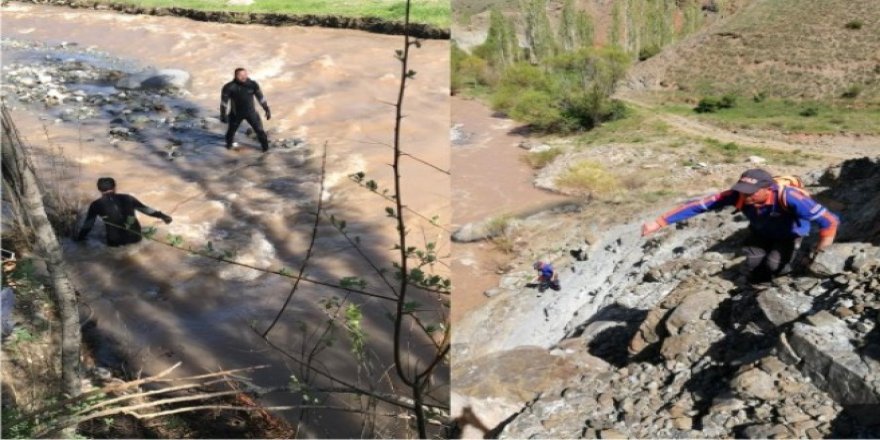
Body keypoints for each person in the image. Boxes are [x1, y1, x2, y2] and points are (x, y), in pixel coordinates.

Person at [641, 169, 840, 283]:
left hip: (789, 235)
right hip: (760, 231)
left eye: (751, 193)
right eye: (743, 191)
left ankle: (779, 283)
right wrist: (658, 223)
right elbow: (698, 206)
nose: (745, 196)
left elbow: (829, 221)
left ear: (767, 189)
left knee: (775, 265)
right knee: (754, 262)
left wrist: (821, 252)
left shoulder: (790, 197)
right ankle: (754, 286)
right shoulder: (738, 195)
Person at [75, 177, 172, 247]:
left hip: (114, 243)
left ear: (99, 189)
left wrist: (79, 240)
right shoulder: (127, 198)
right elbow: (146, 210)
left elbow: (88, 225)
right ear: (114, 187)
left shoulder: (96, 205)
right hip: (135, 238)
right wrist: (164, 216)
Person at [220, 67, 271, 152]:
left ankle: (266, 151)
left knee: (260, 132)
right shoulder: (229, 87)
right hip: (236, 114)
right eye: (240, 75)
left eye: (245, 74)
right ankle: (228, 149)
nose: (243, 77)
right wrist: (223, 114)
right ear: (235, 76)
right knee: (231, 133)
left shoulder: (252, 84)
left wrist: (266, 108)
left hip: (251, 113)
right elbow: (224, 102)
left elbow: (260, 97)